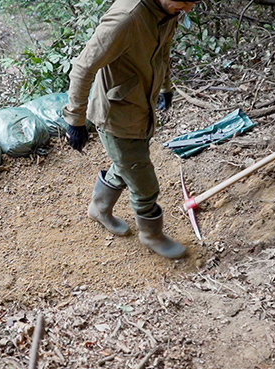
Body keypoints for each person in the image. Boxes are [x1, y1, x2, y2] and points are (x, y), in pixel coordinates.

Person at [62, 0, 200, 259]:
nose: (188, 9)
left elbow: (163, 51)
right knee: (144, 182)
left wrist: (165, 87)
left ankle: (99, 208)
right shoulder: (126, 18)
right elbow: (83, 67)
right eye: (185, 1)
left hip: (140, 107)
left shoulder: (165, 11)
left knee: (126, 164)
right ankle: (151, 235)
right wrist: (75, 120)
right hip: (117, 115)